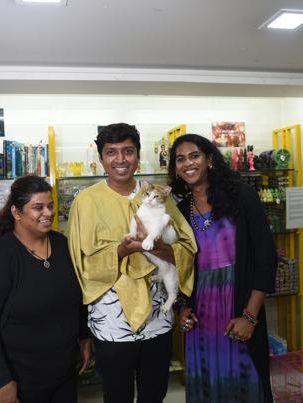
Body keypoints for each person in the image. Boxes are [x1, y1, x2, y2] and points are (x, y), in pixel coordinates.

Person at [67, 123, 197, 403]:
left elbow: (187, 248)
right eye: (111, 152)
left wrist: (162, 248)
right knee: (117, 394)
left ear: (138, 156)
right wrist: (122, 251)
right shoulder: (85, 203)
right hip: (110, 320)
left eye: (128, 151)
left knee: (154, 392)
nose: (120, 159)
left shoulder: (161, 198)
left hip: (158, 314)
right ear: (101, 159)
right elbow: (80, 263)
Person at [0, 175, 92, 403]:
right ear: (16, 213)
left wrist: (84, 337)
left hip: (61, 375)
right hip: (16, 381)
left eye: (50, 206)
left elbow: (76, 297)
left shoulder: (62, 245)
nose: (48, 213)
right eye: (38, 207)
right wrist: (0, 381)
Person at [168, 134, 277, 403]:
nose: (187, 164)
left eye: (194, 156)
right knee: (208, 387)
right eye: (180, 159)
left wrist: (250, 316)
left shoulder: (241, 196)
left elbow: (266, 256)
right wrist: (182, 307)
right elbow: (178, 266)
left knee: (246, 385)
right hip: (201, 319)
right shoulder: (179, 211)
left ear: (210, 160)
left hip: (238, 307)